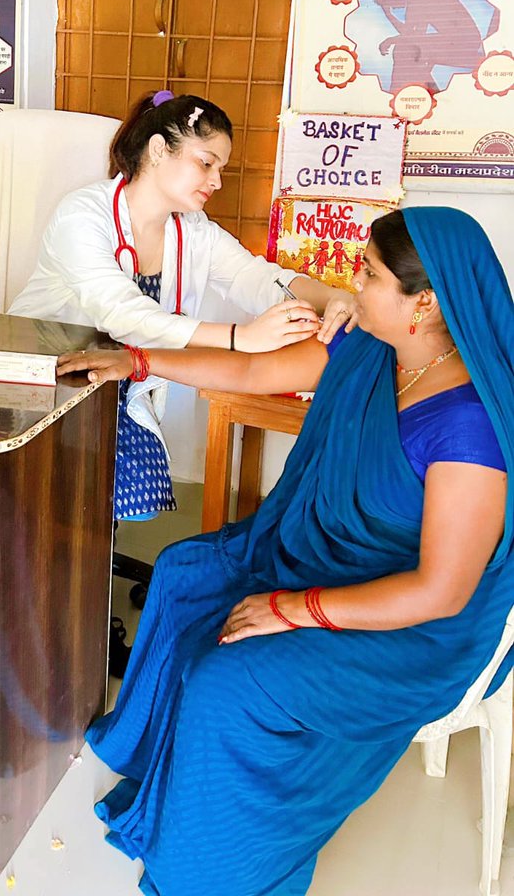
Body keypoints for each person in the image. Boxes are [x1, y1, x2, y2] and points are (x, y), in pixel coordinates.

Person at [56, 207, 513, 896]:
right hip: (330, 557)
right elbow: (253, 372)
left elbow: (439, 593)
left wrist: (292, 608)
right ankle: (162, 766)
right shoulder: (373, 347)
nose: (351, 286)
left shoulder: (468, 430)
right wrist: (138, 362)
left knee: (229, 684)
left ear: (425, 302)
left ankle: (208, 874)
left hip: (414, 626)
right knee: (184, 572)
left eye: (369, 274)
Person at [9, 90, 353, 527]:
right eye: (206, 162)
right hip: (48, 377)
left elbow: (255, 276)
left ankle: (82, 569)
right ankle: (67, 572)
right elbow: (122, 313)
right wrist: (239, 337)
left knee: (129, 502)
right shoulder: (82, 215)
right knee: (58, 502)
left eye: (221, 168)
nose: (216, 181)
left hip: (117, 377)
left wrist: (332, 297)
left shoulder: (191, 230)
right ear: (157, 149)